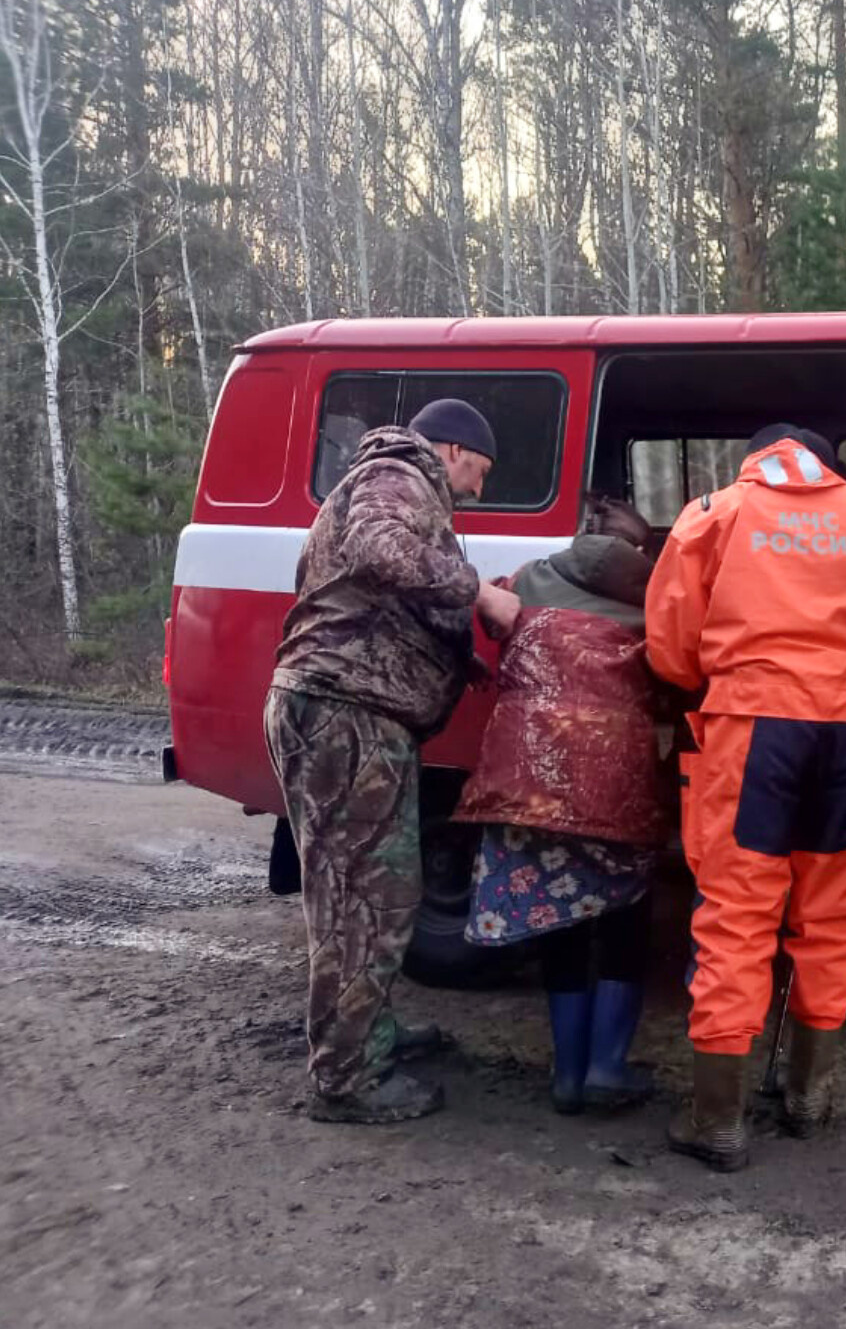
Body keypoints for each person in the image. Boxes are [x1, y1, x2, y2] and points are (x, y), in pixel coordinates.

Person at [645, 424, 846, 1172]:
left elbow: (670, 643)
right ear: (827, 460)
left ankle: (718, 1121)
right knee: (835, 915)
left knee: (736, 913)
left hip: (756, 729)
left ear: (754, 457)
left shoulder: (715, 513)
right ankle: (808, 1100)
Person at [264, 398, 520, 1124]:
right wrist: (478, 598)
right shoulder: (396, 475)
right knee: (361, 902)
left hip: (359, 713)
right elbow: (381, 553)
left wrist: (456, 654)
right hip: (345, 715)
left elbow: (380, 594)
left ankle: (365, 1035)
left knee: (381, 894)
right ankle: (347, 1080)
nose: (477, 487)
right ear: (449, 449)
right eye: (479, 469)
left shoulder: (396, 485)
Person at [454, 497, 669, 1115]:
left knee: (559, 921)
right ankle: (607, 1067)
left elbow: (492, 627)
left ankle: (567, 1077)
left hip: (524, 781)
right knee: (624, 919)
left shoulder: (527, 580)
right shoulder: (655, 600)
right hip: (612, 785)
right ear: (640, 550)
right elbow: (678, 678)